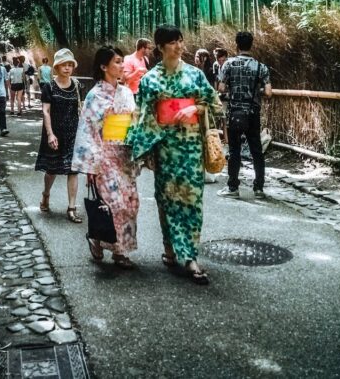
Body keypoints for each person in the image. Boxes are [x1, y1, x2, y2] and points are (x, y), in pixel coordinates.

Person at [127, 25, 220, 285]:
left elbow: (214, 103)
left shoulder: (195, 75)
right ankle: (169, 247)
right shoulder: (149, 80)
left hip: (191, 148)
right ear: (159, 47)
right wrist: (145, 150)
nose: (179, 46)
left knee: (192, 201)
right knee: (166, 200)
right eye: (173, 42)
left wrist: (194, 109)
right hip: (165, 148)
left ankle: (190, 256)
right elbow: (142, 116)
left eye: (181, 41)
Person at [72, 46, 139, 268]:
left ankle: (119, 249)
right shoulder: (94, 95)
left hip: (124, 155)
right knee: (113, 204)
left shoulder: (127, 92)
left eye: (122, 61)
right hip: (104, 156)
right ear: (104, 66)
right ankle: (103, 242)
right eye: (117, 62)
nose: (122, 66)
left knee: (130, 203)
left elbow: (134, 123)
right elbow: (87, 131)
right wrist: (90, 166)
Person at [217, 31, 272, 199]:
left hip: (234, 112)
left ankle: (233, 187)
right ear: (251, 45)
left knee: (234, 150)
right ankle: (259, 188)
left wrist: (232, 89)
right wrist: (256, 90)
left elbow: (220, 88)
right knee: (256, 150)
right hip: (253, 112)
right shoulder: (260, 67)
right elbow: (268, 92)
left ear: (237, 45)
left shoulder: (228, 64)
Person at [36, 48, 82, 223]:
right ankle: (46, 194)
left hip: (73, 133)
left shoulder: (77, 85)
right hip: (54, 133)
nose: (68, 68)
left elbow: (80, 109)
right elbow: (46, 112)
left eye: (70, 64)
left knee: (73, 170)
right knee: (52, 169)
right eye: (64, 65)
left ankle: (72, 208)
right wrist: (50, 134)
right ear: (57, 67)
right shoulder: (49, 87)